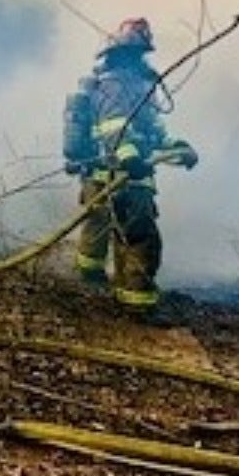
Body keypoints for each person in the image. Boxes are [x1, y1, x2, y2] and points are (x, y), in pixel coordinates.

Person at [62, 16, 199, 312]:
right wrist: (131, 159)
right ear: (124, 56)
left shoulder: (130, 87)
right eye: (135, 55)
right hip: (123, 177)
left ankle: (91, 277)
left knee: (97, 228)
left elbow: (152, 131)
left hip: (102, 176)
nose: (140, 62)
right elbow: (114, 128)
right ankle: (138, 304)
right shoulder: (117, 86)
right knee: (139, 238)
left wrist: (177, 147)